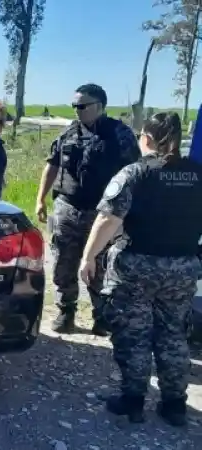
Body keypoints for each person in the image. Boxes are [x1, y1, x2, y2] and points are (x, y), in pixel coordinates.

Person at [79, 112, 202, 427]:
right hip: (183, 267)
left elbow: (109, 219)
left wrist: (89, 256)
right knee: (174, 333)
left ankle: (133, 400)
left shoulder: (135, 173)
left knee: (134, 333)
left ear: (145, 137)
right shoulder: (198, 175)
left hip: (137, 266)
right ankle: (174, 404)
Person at [34, 83, 140, 335]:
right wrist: (41, 198)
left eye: (83, 106)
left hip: (102, 214)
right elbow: (52, 165)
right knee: (63, 261)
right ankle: (66, 311)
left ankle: (101, 315)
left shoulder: (120, 134)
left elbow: (136, 172)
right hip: (67, 208)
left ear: (100, 106)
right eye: (74, 106)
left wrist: (130, 212)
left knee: (101, 265)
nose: (77, 111)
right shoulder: (69, 133)